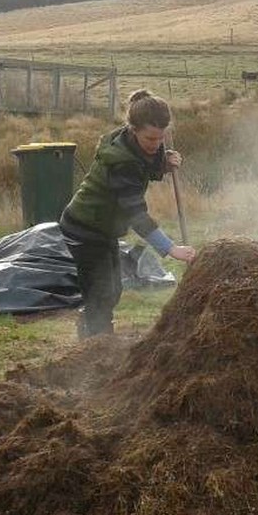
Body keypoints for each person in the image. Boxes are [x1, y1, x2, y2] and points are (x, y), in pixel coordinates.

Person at [59, 89, 197, 338]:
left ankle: (90, 325)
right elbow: (136, 214)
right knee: (100, 292)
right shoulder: (121, 162)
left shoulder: (133, 145)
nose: (155, 145)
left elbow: (144, 163)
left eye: (161, 138)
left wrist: (162, 164)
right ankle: (97, 346)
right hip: (84, 228)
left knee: (112, 290)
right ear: (132, 129)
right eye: (150, 139)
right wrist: (170, 248)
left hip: (104, 229)